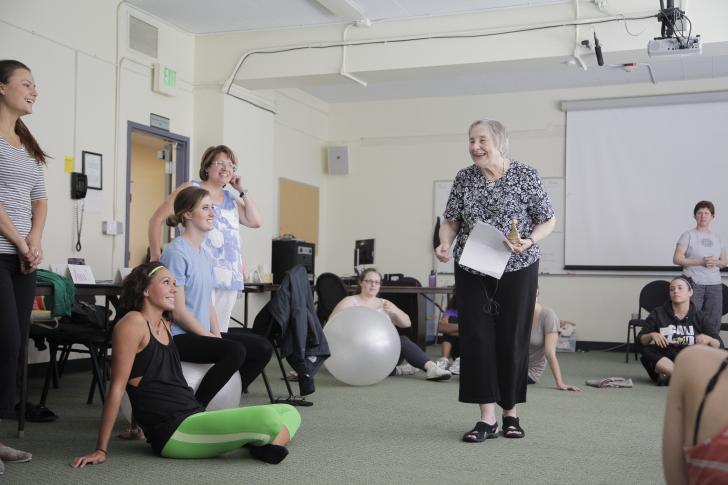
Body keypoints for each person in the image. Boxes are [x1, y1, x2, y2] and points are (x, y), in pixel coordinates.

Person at [71, 262, 300, 467]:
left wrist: (135, 427)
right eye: (166, 282)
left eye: (174, 283)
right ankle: (258, 440)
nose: (174, 289)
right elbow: (120, 387)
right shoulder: (132, 323)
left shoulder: (164, 324)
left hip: (192, 415)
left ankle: (261, 447)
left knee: (289, 412)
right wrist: (101, 449)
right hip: (174, 432)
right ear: (145, 290)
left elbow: (144, 375)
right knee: (268, 420)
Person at [436, 119, 555, 442]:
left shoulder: (525, 174)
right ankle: (486, 419)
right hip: (473, 268)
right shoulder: (464, 178)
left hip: (518, 266)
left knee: (511, 338)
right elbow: (451, 220)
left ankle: (510, 414)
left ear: (500, 142)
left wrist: (529, 241)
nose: (475, 147)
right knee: (477, 340)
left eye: (482, 140)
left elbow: (548, 219)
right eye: (471, 140)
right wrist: (445, 241)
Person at [159, 186, 272, 406]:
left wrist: (216, 335)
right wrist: (209, 337)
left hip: (200, 332)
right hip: (178, 336)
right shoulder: (176, 253)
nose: (213, 213)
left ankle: (227, 396)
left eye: (212, 207)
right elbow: (178, 312)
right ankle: (194, 410)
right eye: (205, 208)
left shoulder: (205, 254)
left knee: (262, 348)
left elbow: (209, 304)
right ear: (187, 215)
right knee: (235, 351)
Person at [149, 144, 262, 332]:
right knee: (195, 329)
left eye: (231, 165)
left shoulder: (231, 199)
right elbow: (157, 219)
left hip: (229, 277)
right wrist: (155, 257)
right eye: (220, 163)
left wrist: (242, 190)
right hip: (198, 275)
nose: (226, 168)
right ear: (207, 166)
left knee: (219, 333)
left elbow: (255, 221)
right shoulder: (191, 190)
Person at [0, 59, 48, 466]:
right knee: (7, 342)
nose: (34, 91)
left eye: (35, 85)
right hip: (1, 254)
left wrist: (34, 239)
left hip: (21, 259)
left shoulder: (26, 144)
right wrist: (19, 240)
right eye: (26, 83)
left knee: (16, 351)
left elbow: (40, 198)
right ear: (2, 88)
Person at [330, 268, 451, 381]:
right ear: (361, 283)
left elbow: (406, 323)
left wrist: (395, 312)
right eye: (369, 281)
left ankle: (431, 368)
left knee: (402, 340)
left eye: (377, 282)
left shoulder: (385, 303)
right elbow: (331, 325)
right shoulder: (350, 302)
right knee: (366, 369)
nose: (373, 285)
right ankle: (397, 370)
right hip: (356, 353)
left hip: (384, 353)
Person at [638, 275, 721, 386]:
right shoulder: (658, 313)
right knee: (646, 350)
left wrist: (709, 339)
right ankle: (688, 378)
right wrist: (652, 335)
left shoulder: (700, 316)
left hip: (690, 359)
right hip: (665, 358)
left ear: (690, 292)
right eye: (672, 289)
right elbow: (640, 340)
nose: (675, 291)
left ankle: (669, 375)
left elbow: (719, 345)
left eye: (680, 288)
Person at [662, 345, 728, 484]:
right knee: (649, 351)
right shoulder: (656, 321)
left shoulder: (692, 360)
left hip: (687, 357)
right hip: (669, 352)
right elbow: (642, 339)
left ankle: (672, 377)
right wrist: (651, 335)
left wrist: (711, 340)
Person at [673, 201, 726, 336]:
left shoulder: (717, 238)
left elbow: (724, 262)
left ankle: (710, 353)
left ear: (712, 216)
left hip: (714, 284)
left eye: (706, 213)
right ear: (695, 216)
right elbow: (677, 259)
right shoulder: (688, 235)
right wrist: (700, 262)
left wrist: (716, 262)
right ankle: (689, 353)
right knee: (690, 319)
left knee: (713, 321)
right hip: (693, 282)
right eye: (699, 213)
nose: (703, 216)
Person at [528, 293, 580, 391]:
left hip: (529, 371)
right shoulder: (516, 313)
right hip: (511, 365)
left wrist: (560, 383)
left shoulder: (548, 315)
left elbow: (550, 353)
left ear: (537, 293)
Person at [436, 296, 460, 375]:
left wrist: (451, 329)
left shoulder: (473, 311)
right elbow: (441, 327)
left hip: (467, 346)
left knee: (450, 326)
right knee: (450, 322)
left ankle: (461, 361)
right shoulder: (451, 311)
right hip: (453, 346)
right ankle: (444, 360)